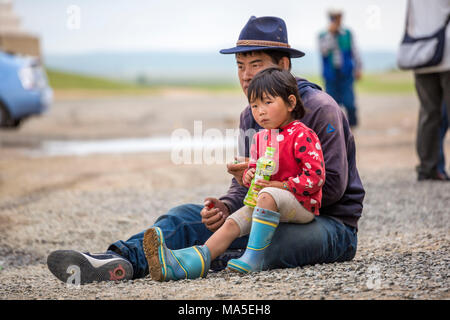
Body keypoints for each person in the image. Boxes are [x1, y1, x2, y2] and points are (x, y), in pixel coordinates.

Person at [47, 16, 365, 285]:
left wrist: (271, 186)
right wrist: (227, 204)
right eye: (240, 66)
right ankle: (117, 261)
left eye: (256, 64)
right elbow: (246, 191)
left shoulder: (321, 109)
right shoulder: (252, 115)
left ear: (283, 65)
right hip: (265, 210)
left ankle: (198, 261)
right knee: (184, 218)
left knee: (266, 242)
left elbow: (333, 187)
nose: (246, 76)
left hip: (328, 224)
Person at [142, 68, 325, 281]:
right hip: (268, 202)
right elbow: (259, 172)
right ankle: (192, 263)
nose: (260, 111)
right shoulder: (260, 139)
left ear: (291, 102)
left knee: (266, 196)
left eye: (267, 102)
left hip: (301, 204)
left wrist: (278, 186)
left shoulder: (302, 134)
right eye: (254, 105)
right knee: (231, 222)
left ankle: (253, 258)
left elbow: (316, 178)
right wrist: (249, 176)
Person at [400, 0, 450, 181]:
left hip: (421, 52)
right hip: (446, 51)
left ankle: (428, 168)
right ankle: (432, 166)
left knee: (429, 113)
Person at [318, 9, 362, 128]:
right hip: (331, 74)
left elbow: (354, 51)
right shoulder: (323, 35)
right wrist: (331, 35)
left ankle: (353, 126)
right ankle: (336, 126)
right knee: (332, 102)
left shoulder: (347, 33)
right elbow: (323, 51)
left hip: (346, 72)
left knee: (349, 101)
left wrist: (358, 68)